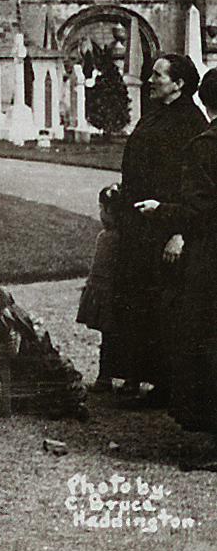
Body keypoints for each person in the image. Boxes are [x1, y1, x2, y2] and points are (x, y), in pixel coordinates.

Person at [112, 52, 207, 408]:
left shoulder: (189, 122)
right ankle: (137, 375)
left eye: (158, 75)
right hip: (141, 225)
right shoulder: (158, 114)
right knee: (139, 300)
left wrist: (180, 233)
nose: (151, 79)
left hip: (164, 228)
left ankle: (164, 387)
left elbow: (191, 186)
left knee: (162, 306)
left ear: (179, 83)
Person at [169, 67, 217, 466]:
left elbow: (199, 209)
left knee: (207, 340)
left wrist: (165, 213)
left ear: (204, 100)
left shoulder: (204, 146)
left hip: (212, 255)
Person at [76, 184, 124, 391]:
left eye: (102, 209)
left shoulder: (107, 238)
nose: (101, 214)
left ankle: (105, 378)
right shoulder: (122, 237)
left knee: (108, 335)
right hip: (115, 293)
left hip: (107, 293)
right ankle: (119, 378)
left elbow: (98, 272)